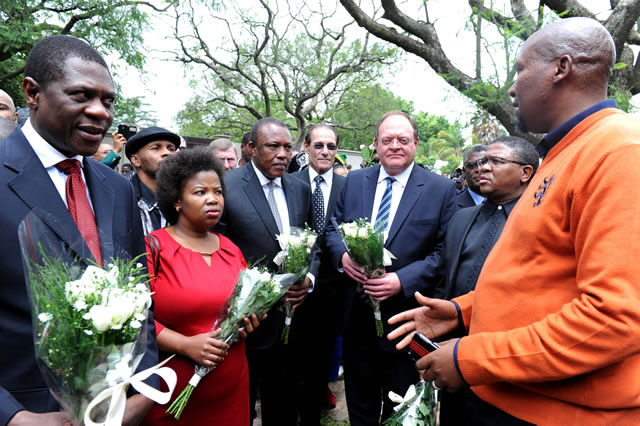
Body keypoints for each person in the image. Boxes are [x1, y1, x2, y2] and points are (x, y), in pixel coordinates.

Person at [389, 17, 640, 425]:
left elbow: (615, 318)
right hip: (506, 400)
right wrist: (462, 312)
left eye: (520, 69)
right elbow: (542, 276)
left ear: (561, 68)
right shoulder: (563, 153)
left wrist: (471, 356)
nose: (510, 87)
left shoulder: (619, 152)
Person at [0, 34, 158, 425]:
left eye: (107, 100)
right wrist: (14, 416)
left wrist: (144, 386)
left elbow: (140, 298)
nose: (101, 112)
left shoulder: (117, 188)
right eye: (81, 96)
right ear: (32, 93)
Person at [323, 111, 457, 425]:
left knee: (403, 407)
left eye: (402, 139)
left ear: (416, 144)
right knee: (360, 405)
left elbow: (444, 253)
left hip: (407, 322)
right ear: (376, 145)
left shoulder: (440, 189)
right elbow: (332, 229)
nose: (395, 145)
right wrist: (343, 256)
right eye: (387, 140)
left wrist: (401, 280)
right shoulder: (353, 181)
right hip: (357, 320)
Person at [141, 147, 260, 425]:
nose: (213, 199)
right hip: (172, 386)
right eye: (200, 192)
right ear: (177, 200)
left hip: (231, 384)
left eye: (218, 192)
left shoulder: (231, 249)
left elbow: (242, 306)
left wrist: (251, 320)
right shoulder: (153, 248)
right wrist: (184, 344)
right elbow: (136, 319)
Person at [213, 117, 316, 426]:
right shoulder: (226, 186)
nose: (283, 154)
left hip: (290, 322)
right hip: (242, 323)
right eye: (273, 147)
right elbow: (213, 248)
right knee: (238, 406)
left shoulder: (299, 189)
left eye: (288, 147)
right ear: (251, 148)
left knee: (283, 404)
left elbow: (314, 242)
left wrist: (308, 278)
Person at [433, 136, 538, 425]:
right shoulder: (461, 218)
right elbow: (444, 280)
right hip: (452, 350)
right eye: (479, 163)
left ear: (525, 173)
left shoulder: (539, 222)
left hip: (506, 360)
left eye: (495, 162)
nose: (482, 168)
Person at [291, 123, 347, 425]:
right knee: (292, 359)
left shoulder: (348, 186)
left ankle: (312, 414)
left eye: (331, 146)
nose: (325, 151)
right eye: (319, 145)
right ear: (306, 148)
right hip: (295, 289)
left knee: (322, 360)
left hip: (334, 289)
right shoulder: (289, 183)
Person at [125, 127, 180, 234]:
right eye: (156, 148)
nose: (167, 153)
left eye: (171, 149)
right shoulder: (123, 199)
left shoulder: (184, 199)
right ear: (136, 159)